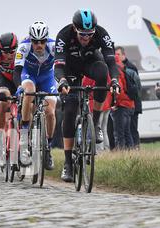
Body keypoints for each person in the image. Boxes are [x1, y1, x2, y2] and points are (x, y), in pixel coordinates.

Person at [55, 9, 120, 182]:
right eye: (82, 34)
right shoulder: (63, 35)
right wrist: (62, 81)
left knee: (102, 72)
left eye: (90, 34)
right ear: (75, 29)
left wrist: (114, 81)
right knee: (69, 110)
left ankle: (96, 124)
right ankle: (68, 163)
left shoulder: (101, 34)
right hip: (69, 69)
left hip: (91, 62)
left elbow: (112, 61)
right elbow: (59, 65)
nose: (86, 38)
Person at [13, 22, 57, 170]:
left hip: (47, 77)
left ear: (47, 39)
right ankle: (24, 134)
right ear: (30, 39)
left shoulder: (53, 46)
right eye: (35, 41)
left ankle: (48, 148)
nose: (39, 45)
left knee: (50, 112)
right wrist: (19, 86)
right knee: (29, 92)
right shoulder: (24, 46)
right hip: (29, 74)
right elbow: (17, 70)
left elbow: (62, 66)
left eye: (42, 41)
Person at [0, 33, 19, 163]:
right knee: (3, 102)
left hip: (20, 80)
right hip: (5, 81)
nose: (8, 55)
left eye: (12, 51)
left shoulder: (22, 52)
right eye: (5, 52)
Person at [116, 46, 142, 150]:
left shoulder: (130, 68)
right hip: (130, 102)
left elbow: (138, 87)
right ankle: (132, 150)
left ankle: (135, 149)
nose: (116, 56)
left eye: (118, 54)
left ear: (123, 55)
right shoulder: (122, 67)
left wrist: (133, 98)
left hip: (131, 102)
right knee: (127, 130)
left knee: (131, 129)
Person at [111, 54, 135, 150]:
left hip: (121, 105)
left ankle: (121, 153)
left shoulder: (116, 71)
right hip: (129, 104)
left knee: (119, 132)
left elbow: (118, 90)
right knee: (126, 132)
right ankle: (131, 152)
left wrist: (114, 104)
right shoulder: (123, 69)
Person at [82, 76, 112, 152]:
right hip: (106, 104)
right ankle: (106, 149)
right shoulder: (106, 72)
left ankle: (99, 150)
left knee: (96, 128)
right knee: (104, 129)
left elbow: (85, 85)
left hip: (95, 105)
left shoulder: (90, 73)